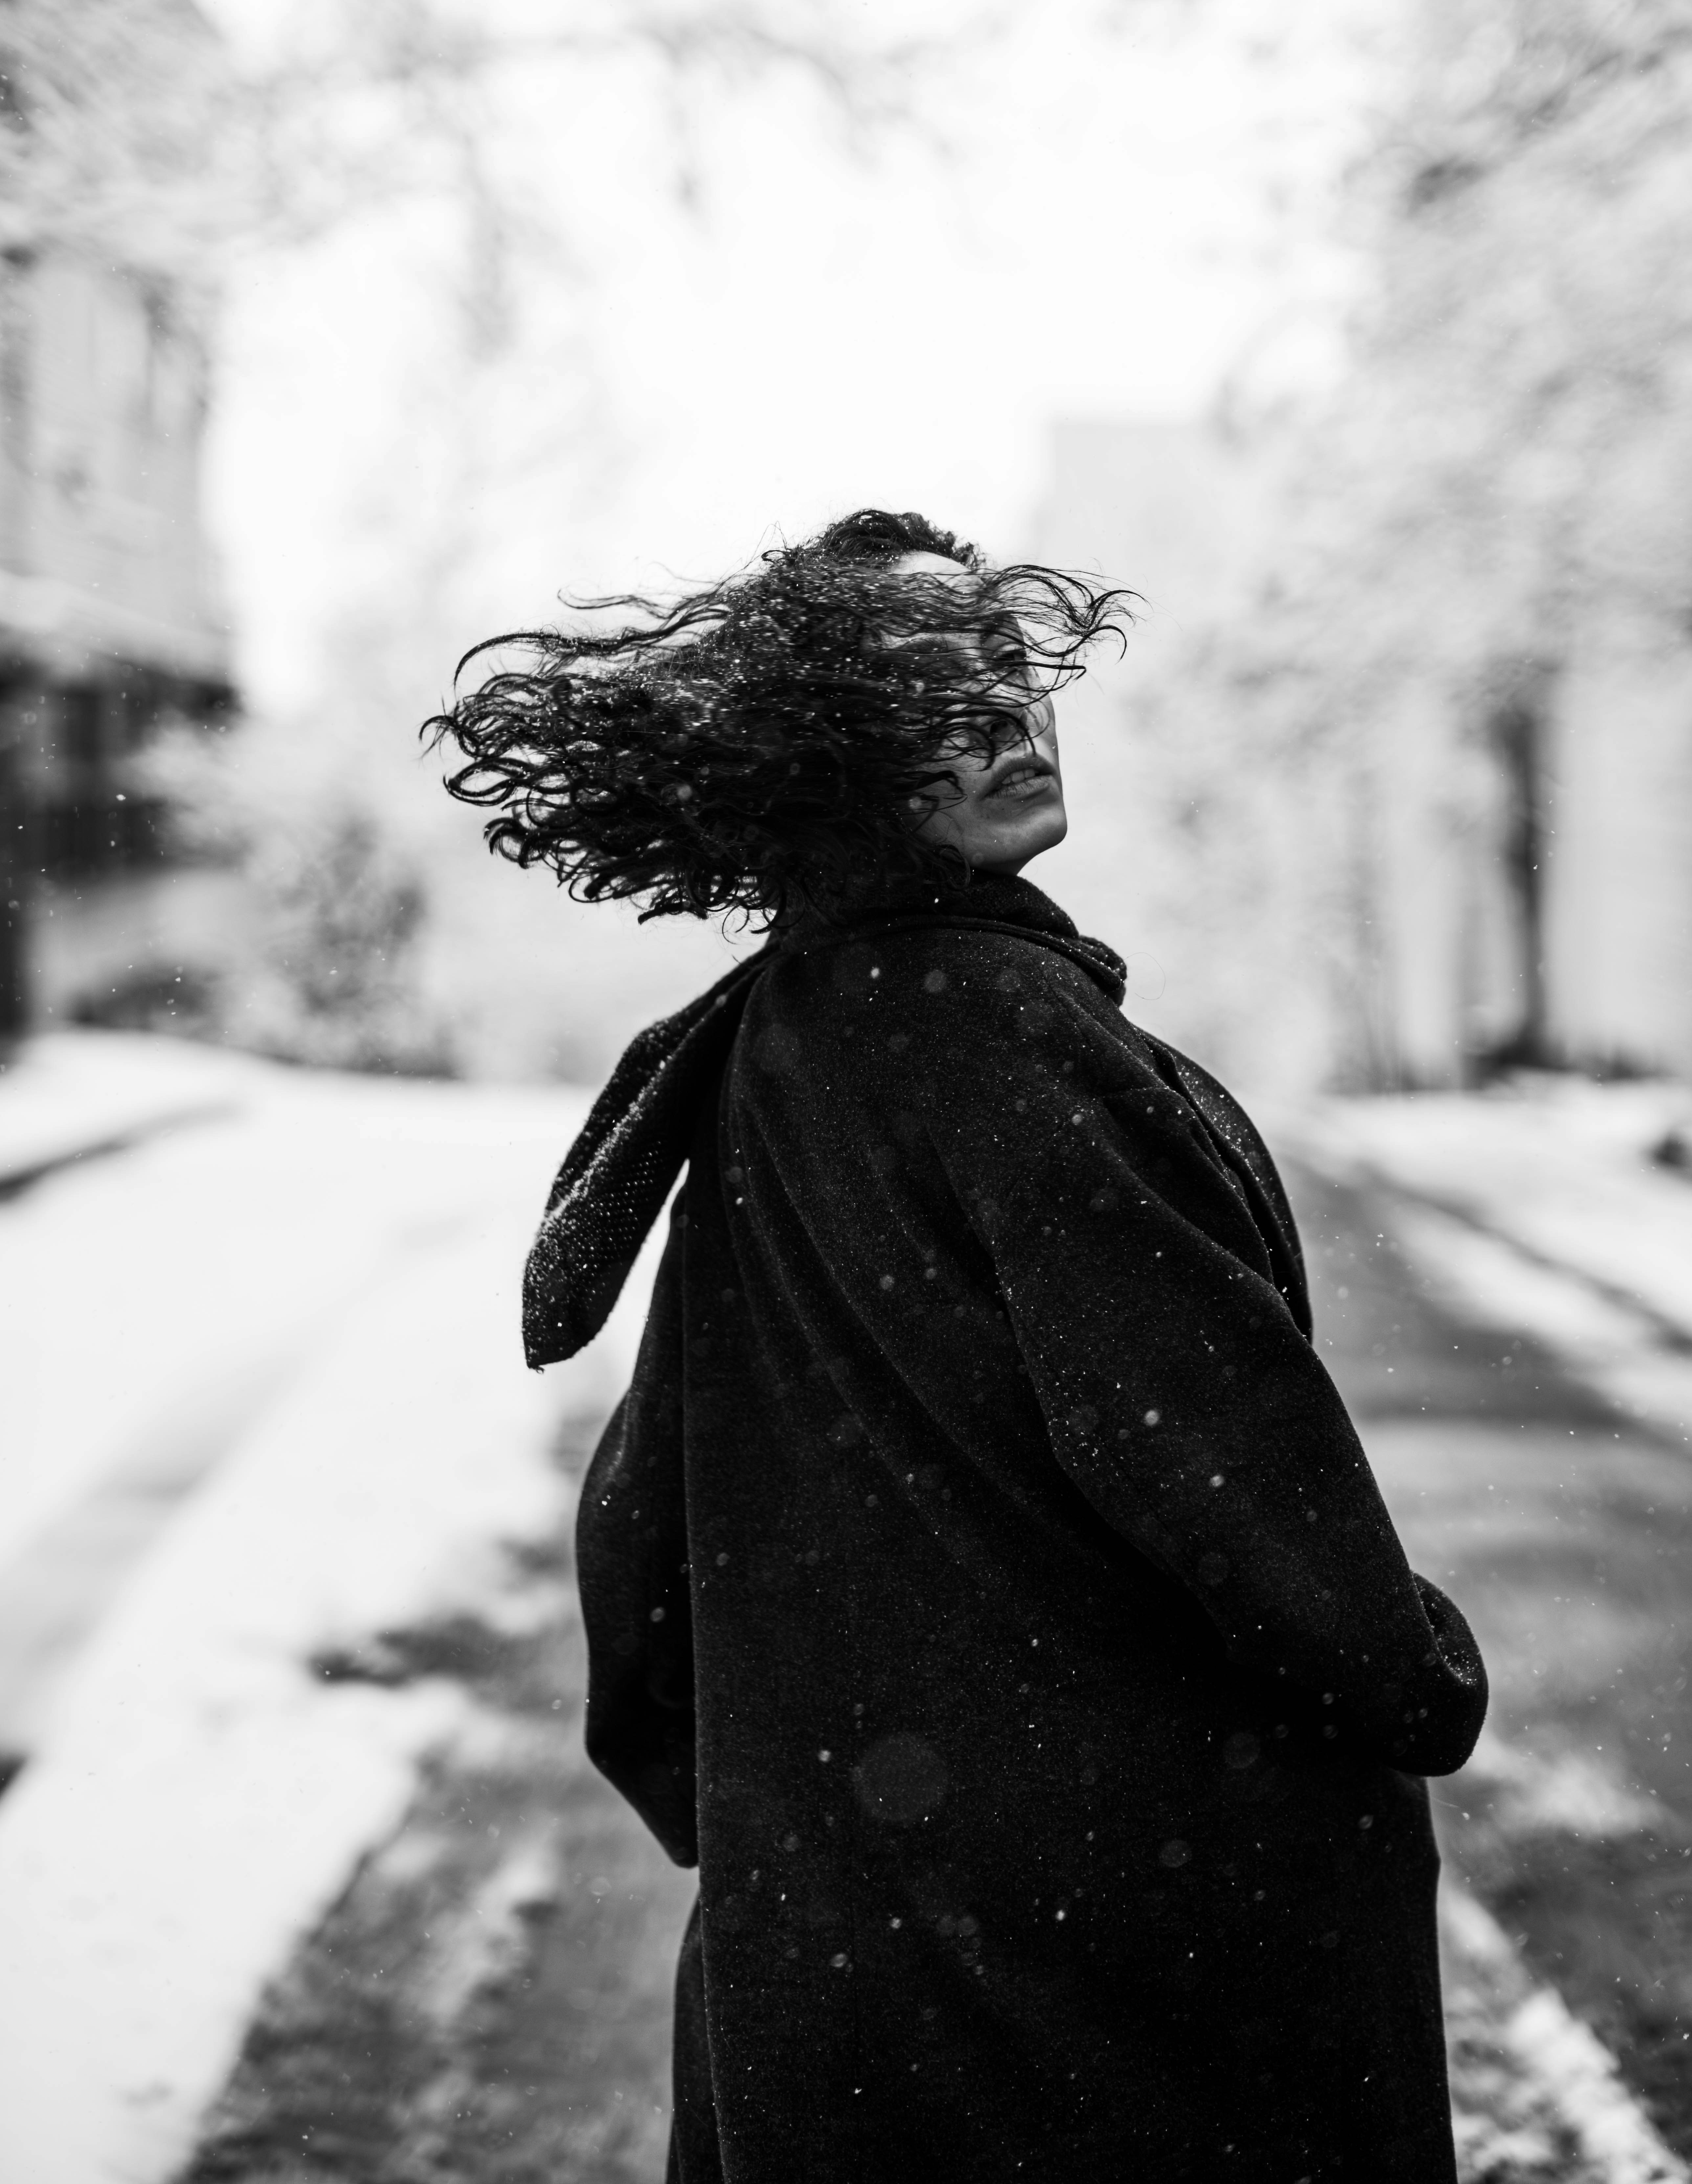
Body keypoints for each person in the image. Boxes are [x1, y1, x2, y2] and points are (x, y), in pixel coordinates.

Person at [429, 507, 1488, 2183]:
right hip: (1127, 1930)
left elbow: (644, 1512)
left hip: (857, 1934)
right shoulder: (1002, 1030)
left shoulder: (781, 1034)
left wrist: (772, 1814)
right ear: (821, 756)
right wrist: (1407, 1670)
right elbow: (1202, 1451)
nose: (1009, 720)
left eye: (1011, 672)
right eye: (934, 695)